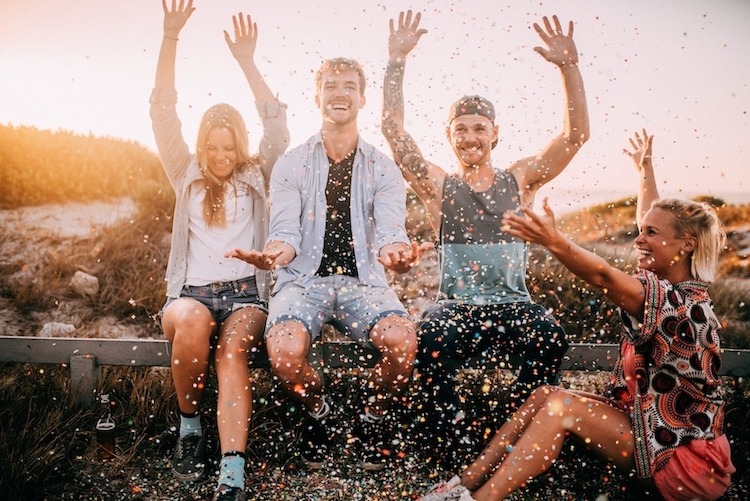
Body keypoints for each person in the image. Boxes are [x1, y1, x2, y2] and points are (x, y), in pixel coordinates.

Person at [418, 130, 735, 501]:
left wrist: (554, 242)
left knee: (560, 406)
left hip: (685, 463)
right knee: (545, 395)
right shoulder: (667, 283)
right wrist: (645, 171)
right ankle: (460, 487)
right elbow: (652, 219)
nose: (638, 239)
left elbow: (601, 274)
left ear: (686, 245)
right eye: (640, 230)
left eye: (651, 233)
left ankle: (481, 500)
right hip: (652, 433)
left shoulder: (675, 304)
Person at [381, 11, 589, 463]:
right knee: (430, 335)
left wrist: (568, 68)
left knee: (549, 336)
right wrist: (396, 63)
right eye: (461, 129)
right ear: (449, 137)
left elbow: (575, 137)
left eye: (479, 128)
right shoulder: (440, 187)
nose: (471, 137)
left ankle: (523, 437)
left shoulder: (520, 180)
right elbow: (395, 136)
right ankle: (451, 446)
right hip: (457, 310)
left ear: (495, 134)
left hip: (514, 307)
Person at [227, 57, 431, 472]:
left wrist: (398, 255)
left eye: (349, 85)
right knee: (284, 354)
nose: (340, 92)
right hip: (302, 282)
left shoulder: (384, 167)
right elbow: (285, 232)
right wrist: (272, 256)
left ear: (362, 97)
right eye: (331, 85)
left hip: (365, 282)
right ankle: (321, 416)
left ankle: (371, 420)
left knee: (405, 343)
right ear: (317, 95)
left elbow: (392, 231)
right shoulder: (291, 163)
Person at [150, 1, 289, 500]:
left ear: (240, 146)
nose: (222, 156)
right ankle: (190, 430)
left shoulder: (256, 174)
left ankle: (233, 467)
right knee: (191, 321)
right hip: (191, 292)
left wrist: (248, 63)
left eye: (230, 147)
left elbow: (278, 128)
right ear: (202, 145)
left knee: (232, 351)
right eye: (214, 147)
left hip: (245, 296)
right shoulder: (183, 171)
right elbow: (162, 109)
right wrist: (171, 37)